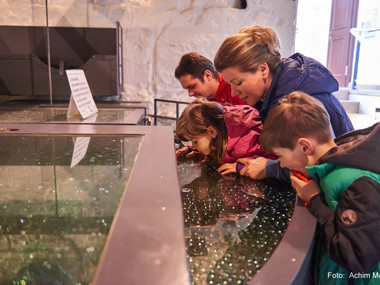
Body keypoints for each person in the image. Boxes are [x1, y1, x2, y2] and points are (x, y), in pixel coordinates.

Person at [259, 91, 380, 285]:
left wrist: (315, 199)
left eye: (280, 155)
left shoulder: (356, 182)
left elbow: (357, 259)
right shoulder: (334, 167)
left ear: (305, 147)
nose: (281, 164)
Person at [214, 25, 354, 181]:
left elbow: (318, 162)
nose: (233, 92)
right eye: (230, 84)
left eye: (238, 82)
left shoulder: (294, 102)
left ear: (263, 70)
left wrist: (270, 168)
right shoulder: (280, 89)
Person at [176, 98, 276, 174]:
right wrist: (191, 148)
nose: (193, 146)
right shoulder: (216, 130)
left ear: (211, 131)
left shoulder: (248, 137)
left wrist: (241, 167)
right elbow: (209, 141)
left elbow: (272, 159)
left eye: (195, 141)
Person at [175, 52, 246, 105]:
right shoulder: (208, 97)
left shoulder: (234, 89)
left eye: (192, 86)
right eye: (187, 89)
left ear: (207, 75)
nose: (190, 94)